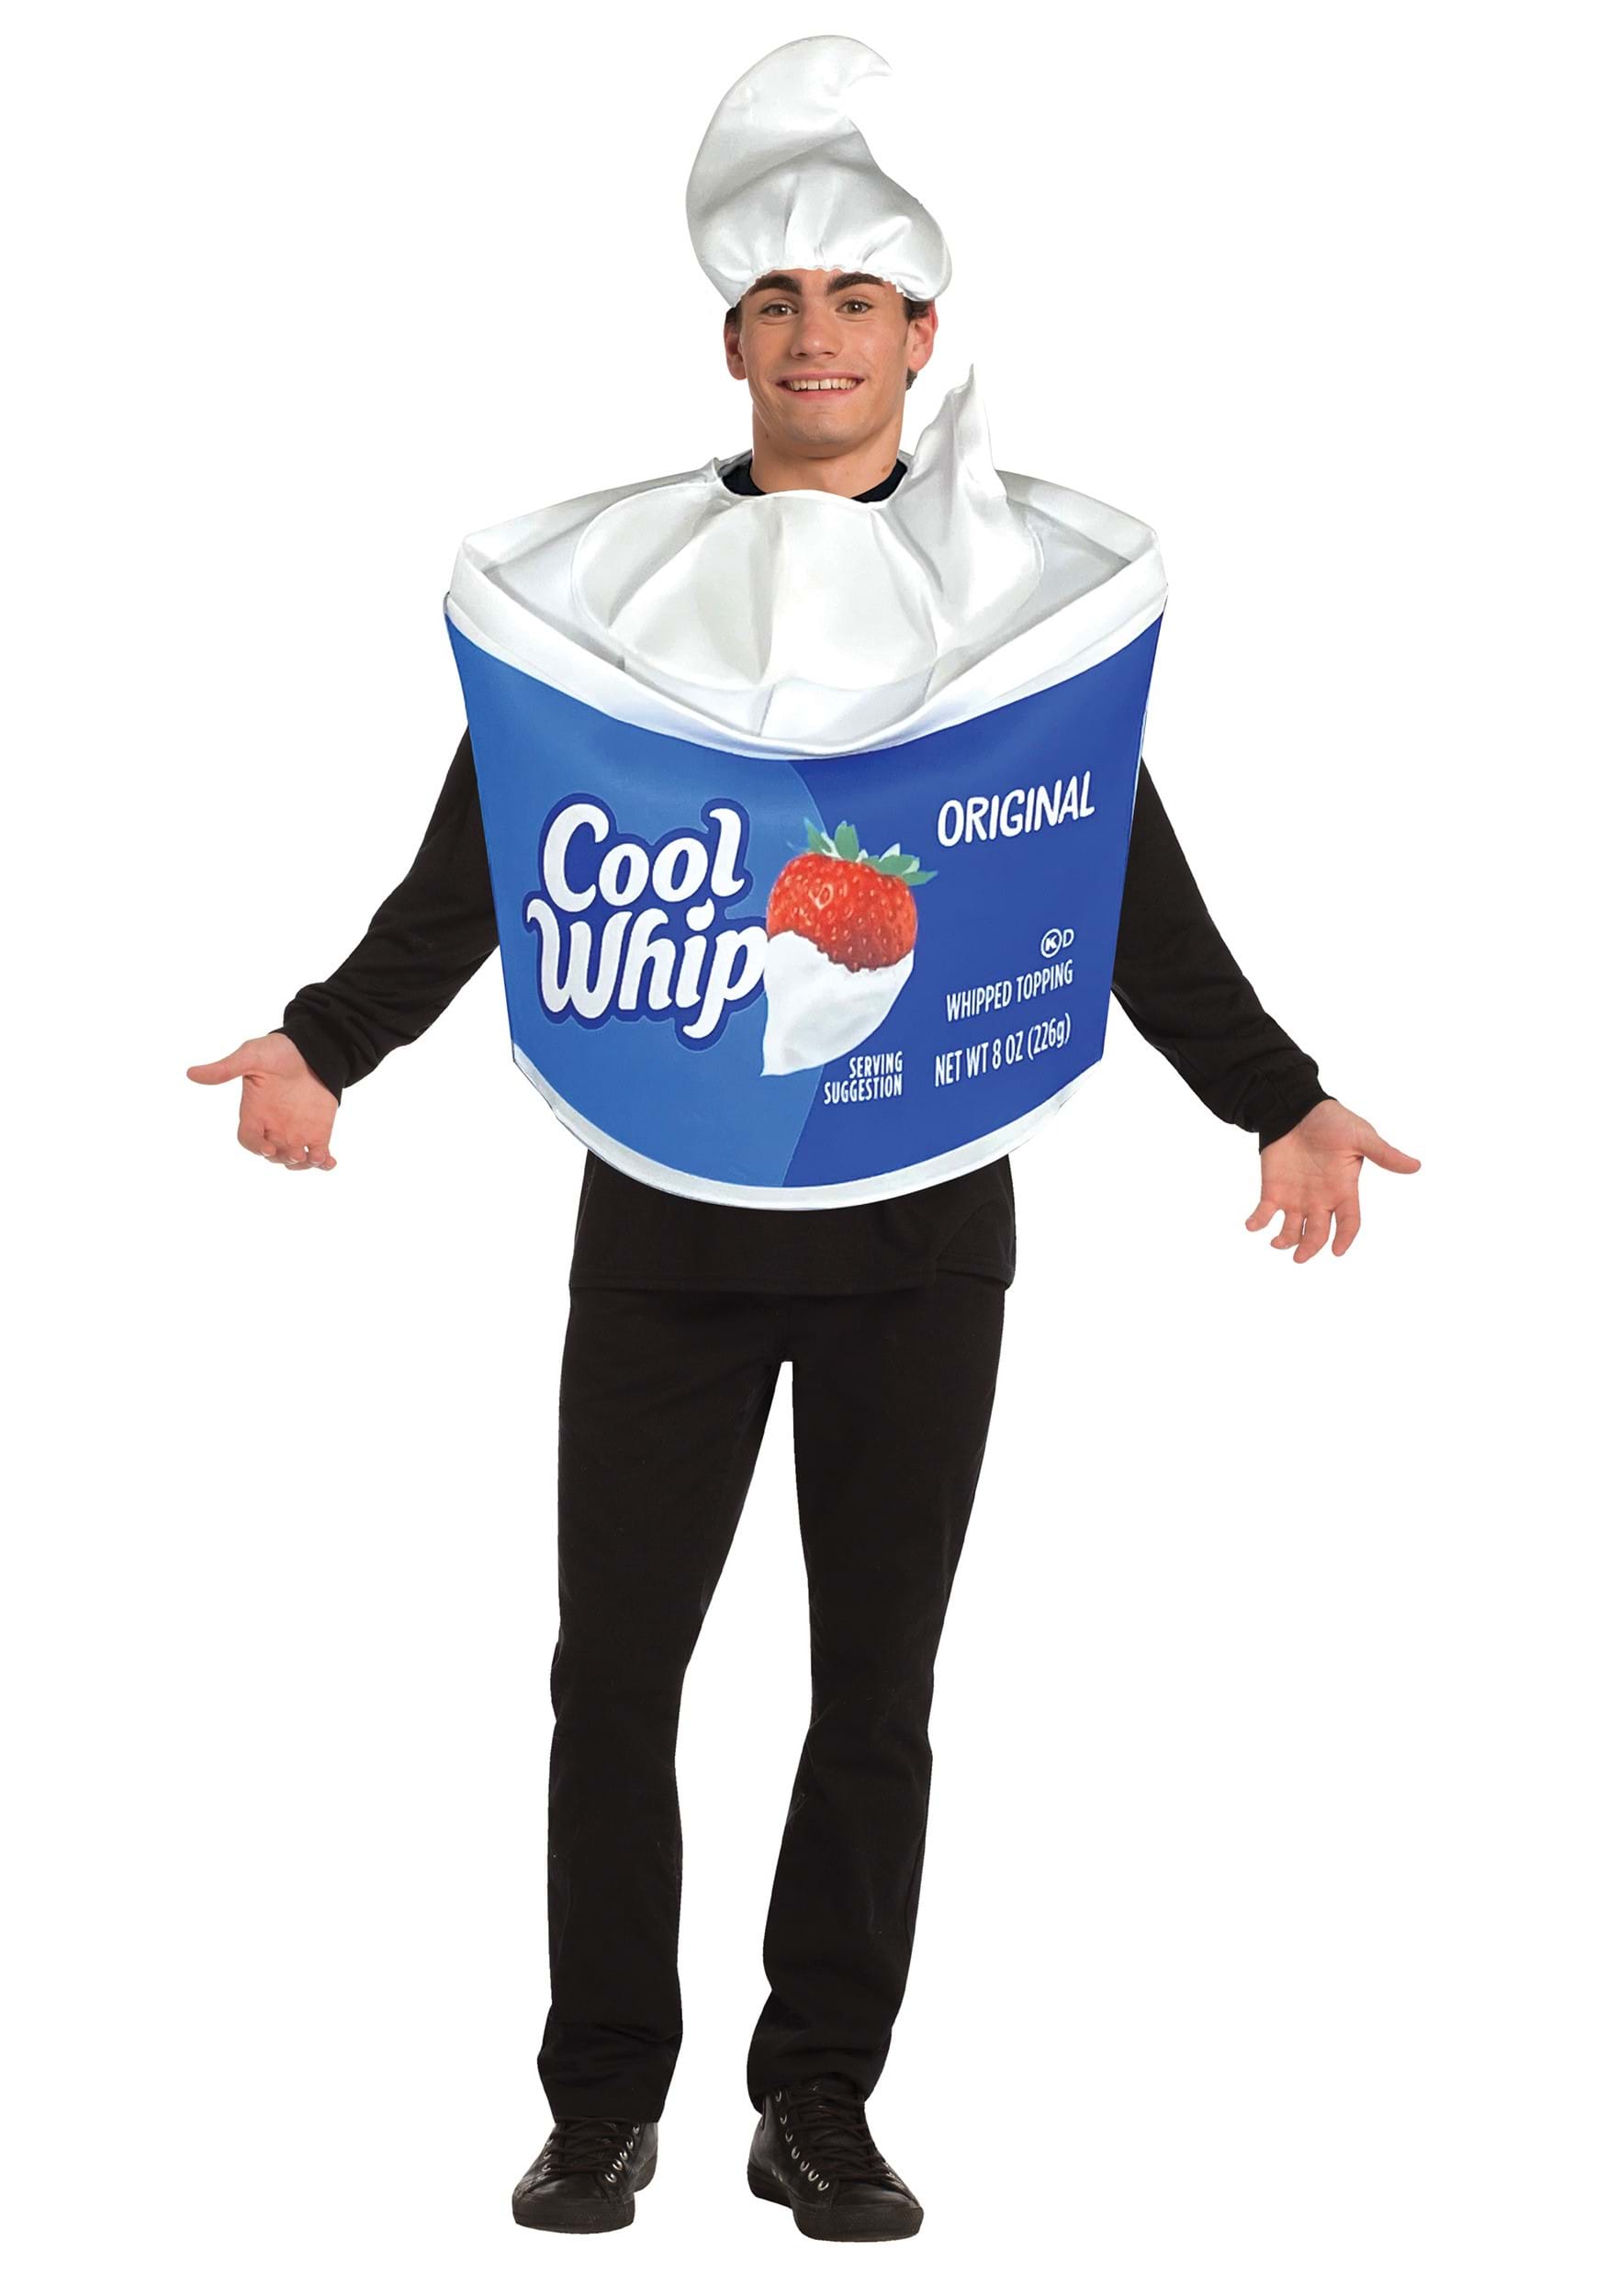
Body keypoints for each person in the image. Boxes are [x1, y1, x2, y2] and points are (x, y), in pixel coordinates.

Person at [187, 35, 1420, 2245]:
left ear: (920, 338)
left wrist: (1275, 1093)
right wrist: (327, 1040)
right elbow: (503, 851)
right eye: (775, 301)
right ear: (731, 342)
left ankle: (817, 2099)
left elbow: (1100, 878)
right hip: (665, 1209)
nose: (814, 333)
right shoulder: (620, 597)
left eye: (855, 299)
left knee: (873, 1689)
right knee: (612, 1678)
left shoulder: (1006, 605)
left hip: (921, 1223)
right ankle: (600, 2100)